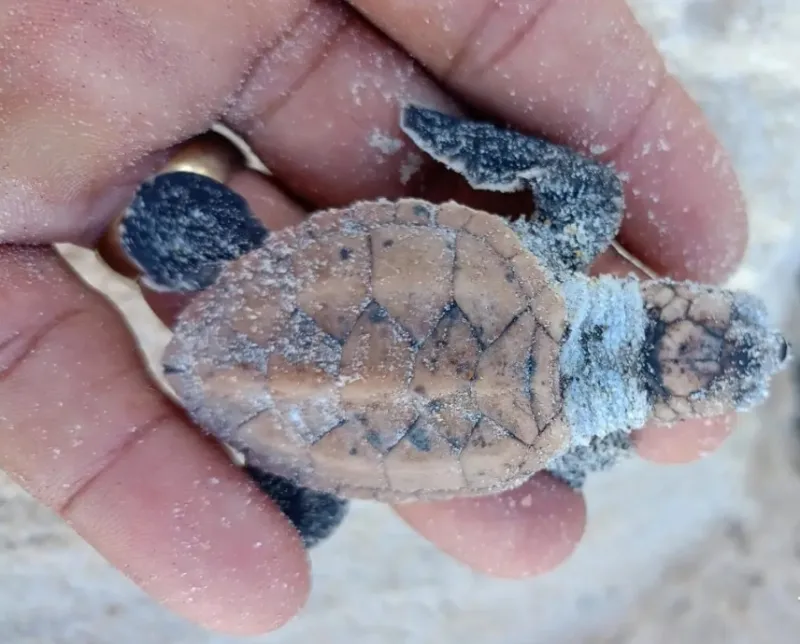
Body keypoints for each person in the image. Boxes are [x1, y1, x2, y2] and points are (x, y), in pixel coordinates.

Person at [0, 0, 747, 636]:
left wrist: (447, 138)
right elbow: (581, 455)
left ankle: (213, 275)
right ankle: (292, 478)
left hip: (314, 292)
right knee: (310, 520)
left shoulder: (564, 249)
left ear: (679, 301)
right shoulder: (570, 443)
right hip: (323, 421)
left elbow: (581, 189)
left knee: (588, 194)